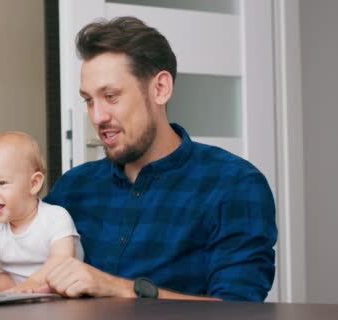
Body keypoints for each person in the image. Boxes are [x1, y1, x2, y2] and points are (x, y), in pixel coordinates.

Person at [40, 16, 277, 301]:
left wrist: (120, 289)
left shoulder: (234, 185)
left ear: (160, 88)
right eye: (89, 100)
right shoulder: (73, 188)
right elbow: (24, 273)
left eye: (111, 96)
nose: (98, 116)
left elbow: (240, 311)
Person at [0, 131, 83, 293]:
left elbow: (61, 258)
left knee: (55, 284)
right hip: (17, 286)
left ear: (34, 184)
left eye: (1, 183)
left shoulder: (56, 217)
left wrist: (34, 282)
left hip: (54, 281)